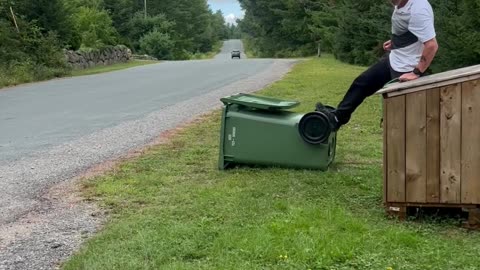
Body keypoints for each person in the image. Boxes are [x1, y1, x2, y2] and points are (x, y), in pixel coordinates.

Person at [317, 0, 439, 130]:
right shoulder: (400, 4)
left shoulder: (419, 9)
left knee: (399, 119)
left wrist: (416, 72)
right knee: (362, 83)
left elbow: (431, 45)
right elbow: (412, 32)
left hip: (407, 69)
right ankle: (337, 118)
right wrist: (395, 42)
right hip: (394, 59)